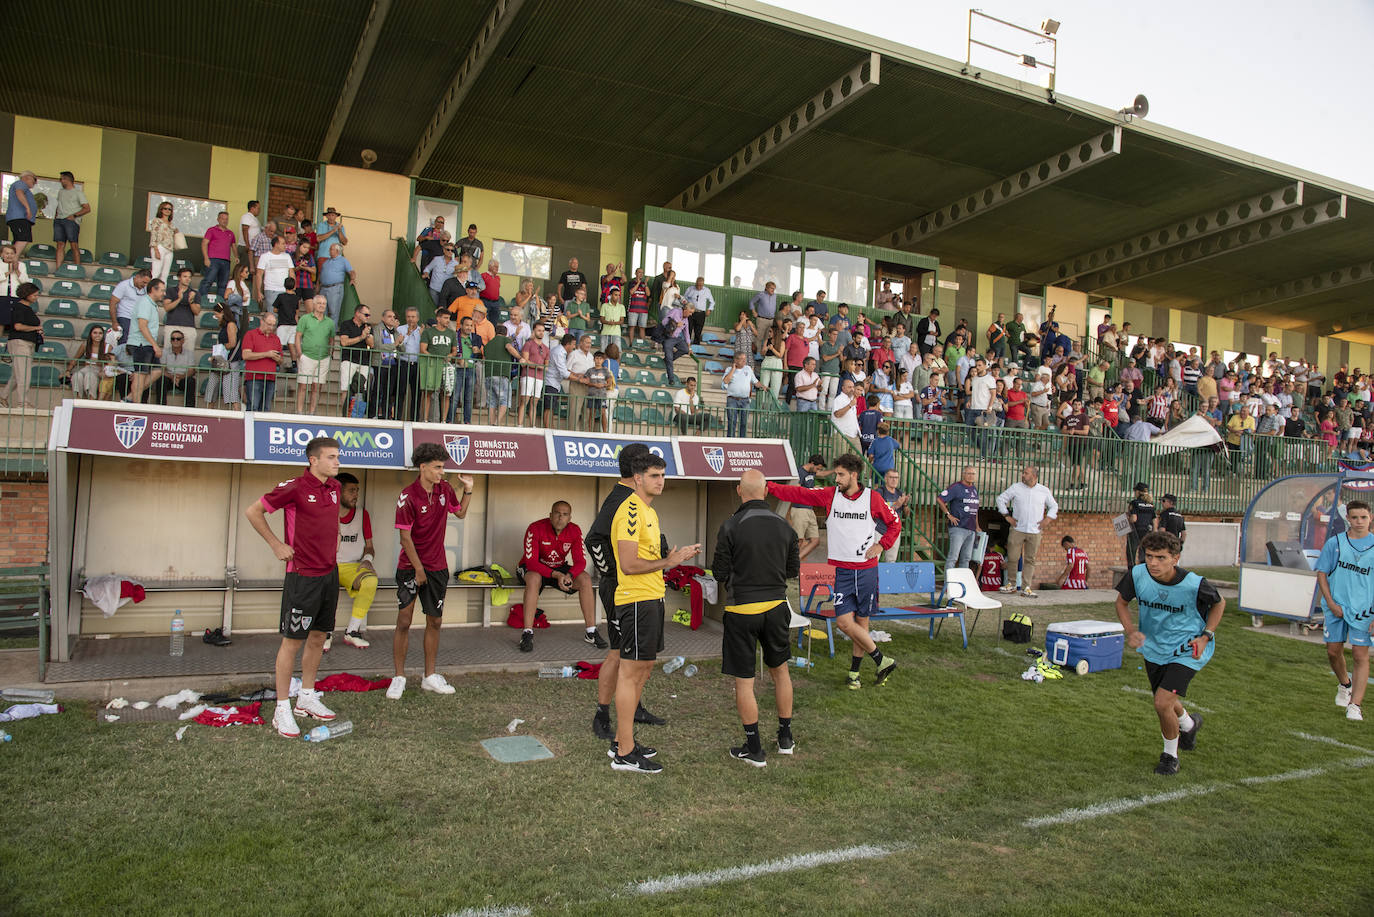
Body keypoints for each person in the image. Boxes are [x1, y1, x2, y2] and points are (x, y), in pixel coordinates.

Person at [766, 453, 900, 691]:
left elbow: (895, 523)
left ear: (854, 475)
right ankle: (882, 660)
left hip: (867, 570)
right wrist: (770, 487)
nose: (835, 478)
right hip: (843, 571)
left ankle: (854, 674)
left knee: (862, 623)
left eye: (840, 474)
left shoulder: (873, 498)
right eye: (836, 474)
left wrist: (882, 545)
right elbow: (800, 494)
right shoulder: (830, 495)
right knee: (844, 623)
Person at [243, 436, 344, 738]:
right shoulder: (296, 487)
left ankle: (307, 698)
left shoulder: (335, 488)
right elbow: (253, 511)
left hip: (329, 574)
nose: (337, 462)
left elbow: (331, 522)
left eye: (338, 456)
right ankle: (282, 709)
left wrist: (335, 538)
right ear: (313, 460)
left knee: (318, 637)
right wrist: (276, 544)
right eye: (331, 457)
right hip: (302, 575)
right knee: (292, 641)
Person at [609, 452, 702, 773]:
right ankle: (624, 751)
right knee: (631, 672)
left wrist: (672, 558)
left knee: (644, 668)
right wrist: (668, 563)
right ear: (637, 478)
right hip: (636, 600)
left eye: (662, 475)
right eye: (653, 476)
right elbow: (629, 564)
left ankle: (625, 740)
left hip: (651, 597)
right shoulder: (630, 510)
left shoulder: (648, 510)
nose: (660, 481)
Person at [1114, 530, 1224, 775]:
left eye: (1161, 557)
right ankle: (1189, 724)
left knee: (1162, 702)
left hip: (1187, 651)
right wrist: (1131, 630)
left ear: (1176, 558)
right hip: (1154, 649)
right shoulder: (1137, 574)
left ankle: (1170, 756)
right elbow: (1121, 603)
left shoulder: (1194, 584)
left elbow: (1219, 603)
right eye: (1149, 556)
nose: (1153, 562)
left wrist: (1206, 636)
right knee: (1167, 702)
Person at [712, 469, 800, 766]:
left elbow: (720, 572)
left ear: (740, 491)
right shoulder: (785, 527)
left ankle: (754, 749)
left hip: (742, 610)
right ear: (766, 492)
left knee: (745, 682)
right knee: (781, 672)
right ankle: (785, 738)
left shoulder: (731, 525)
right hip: (777, 607)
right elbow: (792, 571)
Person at [587, 444, 669, 741]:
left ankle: (633, 707)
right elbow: (594, 538)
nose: (659, 477)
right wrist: (611, 572)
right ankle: (602, 715)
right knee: (618, 652)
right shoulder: (621, 500)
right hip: (624, 587)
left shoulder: (638, 499)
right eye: (651, 469)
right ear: (637, 472)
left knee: (635, 657)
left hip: (642, 587)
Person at [387, 443, 474, 700]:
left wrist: (468, 489)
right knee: (404, 620)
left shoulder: (445, 489)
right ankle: (399, 676)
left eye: (443, 467)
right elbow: (405, 538)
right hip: (410, 568)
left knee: (434, 621)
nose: (441, 472)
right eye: (437, 467)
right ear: (422, 467)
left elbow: (460, 514)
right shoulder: (408, 495)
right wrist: (418, 569)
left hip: (438, 568)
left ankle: (429, 676)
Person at [518, 501, 607, 652]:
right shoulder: (535, 528)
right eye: (557, 513)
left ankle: (591, 631)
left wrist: (569, 575)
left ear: (569, 518)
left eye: (565, 514)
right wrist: (557, 574)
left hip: (558, 567)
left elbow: (580, 561)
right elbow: (531, 562)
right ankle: (527, 633)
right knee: (534, 578)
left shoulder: (574, 530)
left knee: (584, 579)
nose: (560, 517)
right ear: (550, 515)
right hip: (534, 568)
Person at [1316, 500, 1374, 723]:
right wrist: (1330, 603)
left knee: (1360, 655)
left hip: (1364, 611)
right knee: (1333, 652)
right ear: (1347, 518)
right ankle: (1345, 684)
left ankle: (1355, 706)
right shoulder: (1335, 543)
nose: (1359, 522)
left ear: (1370, 518)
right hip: (1336, 607)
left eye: (1364, 517)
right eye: (1355, 517)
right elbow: (1322, 573)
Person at [995, 465, 1059, 597]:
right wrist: (1007, 516)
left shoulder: (1044, 490)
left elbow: (1054, 506)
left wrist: (1048, 520)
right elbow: (1001, 499)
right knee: (1012, 557)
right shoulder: (1016, 487)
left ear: (1034, 476)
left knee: (1030, 559)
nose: (1023, 475)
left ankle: (1026, 587)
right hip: (1017, 528)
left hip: (1035, 530)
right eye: (1023, 473)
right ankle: (1011, 584)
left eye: (1026, 473)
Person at [334, 472, 377, 651]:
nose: (356, 495)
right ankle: (325, 633)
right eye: (351, 491)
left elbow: (370, 546)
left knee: (371, 580)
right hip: (328, 565)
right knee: (324, 589)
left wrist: (368, 559)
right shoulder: (326, 512)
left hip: (352, 566)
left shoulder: (362, 514)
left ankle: (352, 632)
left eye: (357, 491)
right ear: (339, 492)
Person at [0, 282, 42, 409]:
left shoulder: (27, 308)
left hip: (27, 343)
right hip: (20, 343)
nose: (36, 297)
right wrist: (36, 328)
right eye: (34, 295)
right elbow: (18, 326)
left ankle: (3, 397)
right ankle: (22, 402)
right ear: (27, 295)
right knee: (24, 374)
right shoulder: (19, 308)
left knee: (17, 374)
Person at [293, 294, 334, 415]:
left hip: (323, 358)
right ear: (314, 305)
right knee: (303, 386)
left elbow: (331, 339)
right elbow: (298, 336)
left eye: (324, 304)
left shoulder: (330, 322)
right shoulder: (305, 319)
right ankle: (299, 411)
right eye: (319, 303)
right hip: (307, 356)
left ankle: (312, 413)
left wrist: (330, 353)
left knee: (317, 387)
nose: (322, 306)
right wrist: (299, 354)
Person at [937, 465, 981, 573]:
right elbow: (940, 499)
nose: (971, 476)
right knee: (953, 557)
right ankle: (949, 585)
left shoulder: (974, 489)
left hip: (971, 529)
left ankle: (962, 585)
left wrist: (977, 526)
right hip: (958, 528)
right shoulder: (956, 487)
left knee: (966, 559)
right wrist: (948, 514)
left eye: (973, 474)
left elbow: (975, 509)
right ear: (963, 474)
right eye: (969, 473)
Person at [789, 454, 831, 562]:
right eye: (817, 467)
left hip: (809, 509)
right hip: (799, 508)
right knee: (799, 540)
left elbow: (821, 473)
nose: (818, 470)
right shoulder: (800, 472)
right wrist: (812, 490)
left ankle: (795, 561)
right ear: (812, 463)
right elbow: (796, 489)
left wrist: (835, 471)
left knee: (815, 540)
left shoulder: (812, 472)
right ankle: (791, 565)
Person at [241, 312, 285, 410]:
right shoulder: (251, 334)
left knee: (266, 408)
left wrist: (277, 359)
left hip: (270, 378)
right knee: (253, 407)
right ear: (262, 322)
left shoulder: (276, 339)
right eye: (269, 324)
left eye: (274, 325)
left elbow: (281, 360)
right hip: (254, 378)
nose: (271, 327)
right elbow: (245, 355)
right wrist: (267, 354)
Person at [419, 308, 455, 423]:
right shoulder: (428, 332)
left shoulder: (451, 333)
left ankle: (443, 420)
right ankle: (424, 419)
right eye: (445, 318)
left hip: (446, 365)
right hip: (431, 365)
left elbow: (454, 351)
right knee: (428, 391)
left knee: (446, 393)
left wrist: (450, 355)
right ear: (438, 318)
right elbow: (423, 349)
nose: (447, 320)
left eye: (448, 318)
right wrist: (434, 358)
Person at [52, 171, 90, 273]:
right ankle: (58, 269)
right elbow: (59, 205)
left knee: (73, 245)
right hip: (59, 220)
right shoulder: (61, 192)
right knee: (60, 244)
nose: (60, 181)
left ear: (67, 179)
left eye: (61, 179)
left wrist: (74, 215)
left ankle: (77, 269)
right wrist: (56, 217)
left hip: (71, 222)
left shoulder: (78, 193)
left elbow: (87, 208)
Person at [161, 267, 201, 356]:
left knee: (188, 355)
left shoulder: (195, 293)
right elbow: (167, 307)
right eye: (185, 276)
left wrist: (191, 301)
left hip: (189, 326)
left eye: (189, 277)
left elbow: (197, 312)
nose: (187, 279)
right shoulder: (170, 290)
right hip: (172, 325)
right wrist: (179, 299)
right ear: (179, 278)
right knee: (168, 354)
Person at [722, 350, 762, 438]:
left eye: (745, 359)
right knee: (731, 421)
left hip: (745, 400)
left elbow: (755, 382)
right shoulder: (729, 369)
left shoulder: (748, 369)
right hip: (732, 399)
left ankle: (742, 441)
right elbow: (725, 381)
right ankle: (730, 441)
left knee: (744, 423)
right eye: (742, 359)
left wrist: (764, 386)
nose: (744, 361)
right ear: (735, 360)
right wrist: (733, 369)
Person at [67, 324, 112, 400]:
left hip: (99, 370)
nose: (98, 335)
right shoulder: (85, 345)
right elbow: (75, 359)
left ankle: (91, 398)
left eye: (100, 333)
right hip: (86, 368)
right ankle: (78, 398)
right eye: (95, 333)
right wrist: (68, 370)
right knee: (77, 375)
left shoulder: (108, 346)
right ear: (91, 334)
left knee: (89, 375)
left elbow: (111, 363)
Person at [155, 329, 197, 407]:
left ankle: (190, 409)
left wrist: (180, 377)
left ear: (183, 341)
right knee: (161, 380)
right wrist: (172, 377)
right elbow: (162, 369)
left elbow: (191, 370)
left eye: (178, 339)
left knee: (191, 381)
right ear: (170, 341)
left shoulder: (189, 353)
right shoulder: (164, 352)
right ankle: (160, 407)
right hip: (169, 378)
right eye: (173, 339)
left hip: (183, 378)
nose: (175, 340)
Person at [876, 469, 910, 563]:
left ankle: (888, 578)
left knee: (891, 561)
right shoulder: (880, 492)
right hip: (879, 530)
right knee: (874, 559)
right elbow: (880, 512)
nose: (894, 480)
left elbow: (907, 515)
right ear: (886, 478)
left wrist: (905, 504)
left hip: (894, 531)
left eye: (896, 478)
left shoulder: (900, 493)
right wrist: (896, 506)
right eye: (891, 477)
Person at [200, 211, 235, 299]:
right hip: (213, 260)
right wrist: (206, 258)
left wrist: (237, 256)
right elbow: (204, 243)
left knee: (223, 285)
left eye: (226, 219)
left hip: (226, 261)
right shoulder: (211, 230)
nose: (225, 221)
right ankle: (202, 301)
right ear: (218, 219)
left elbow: (233, 246)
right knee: (208, 281)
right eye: (222, 218)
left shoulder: (230, 233)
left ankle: (219, 305)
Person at [319, 244, 356, 325]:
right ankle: (322, 330)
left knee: (334, 311)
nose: (329, 251)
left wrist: (352, 279)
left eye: (331, 249)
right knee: (321, 310)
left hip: (335, 288)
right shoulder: (327, 261)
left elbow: (351, 271)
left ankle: (332, 332)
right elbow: (321, 274)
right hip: (323, 288)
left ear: (337, 251)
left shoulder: (343, 260)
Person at [5, 171, 37, 258]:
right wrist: (28, 208)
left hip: (21, 219)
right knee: (23, 239)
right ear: (27, 177)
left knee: (19, 240)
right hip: (19, 218)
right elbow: (19, 193)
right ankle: (9, 261)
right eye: (33, 181)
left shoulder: (24, 187)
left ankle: (13, 263)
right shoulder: (21, 184)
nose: (34, 183)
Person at [1126, 483, 1157, 567]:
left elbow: (1134, 518)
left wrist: (1127, 518)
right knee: (1144, 552)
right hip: (1147, 531)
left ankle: (1131, 571)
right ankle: (1143, 569)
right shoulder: (1151, 504)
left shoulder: (1134, 503)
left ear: (1138, 492)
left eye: (1135, 491)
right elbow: (1154, 521)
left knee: (1131, 552)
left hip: (1135, 531)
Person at [147, 200, 178, 283]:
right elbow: (153, 235)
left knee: (165, 274)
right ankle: (149, 292)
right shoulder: (157, 221)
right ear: (161, 209)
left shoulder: (171, 224)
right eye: (165, 208)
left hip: (169, 249)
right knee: (156, 272)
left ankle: (161, 293)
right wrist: (156, 250)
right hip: (160, 247)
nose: (168, 211)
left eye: (170, 209)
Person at [683, 277, 714, 343]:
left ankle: (696, 347)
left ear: (703, 284)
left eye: (701, 285)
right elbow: (684, 298)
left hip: (701, 313)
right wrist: (687, 305)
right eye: (698, 285)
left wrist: (709, 310)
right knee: (688, 329)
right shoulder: (690, 289)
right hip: (690, 313)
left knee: (698, 332)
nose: (699, 287)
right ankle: (686, 346)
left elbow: (712, 302)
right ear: (696, 283)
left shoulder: (707, 290)